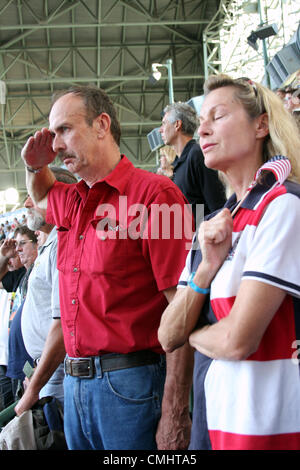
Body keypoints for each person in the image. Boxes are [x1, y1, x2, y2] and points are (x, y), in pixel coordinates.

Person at [21, 85, 194, 450]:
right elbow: (39, 195)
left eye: (64, 130)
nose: (56, 145)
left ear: (102, 125)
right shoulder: (72, 199)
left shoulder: (157, 196)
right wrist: (34, 165)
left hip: (131, 383)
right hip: (75, 384)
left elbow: (183, 309)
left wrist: (176, 407)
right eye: (53, 135)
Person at [158, 74, 300, 450]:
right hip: (218, 420)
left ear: (261, 125)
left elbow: (237, 339)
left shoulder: (283, 204)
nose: (202, 128)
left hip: (269, 428)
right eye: (201, 120)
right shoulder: (215, 222)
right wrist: (206, 268)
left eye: (217, 116)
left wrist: (194, 334)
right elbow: (166, 335)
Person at [15, 167, 78, 415]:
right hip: (47, 371)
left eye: (34, 194)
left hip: (57, 373)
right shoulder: (51, 243)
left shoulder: (60, 243)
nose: (27, 202)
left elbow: (63, 324)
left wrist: (33, 390)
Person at [159, 101, 226, 225]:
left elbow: (217, 206)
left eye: (164, 124)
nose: (160, 130)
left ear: (177, 125)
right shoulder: (179, 164)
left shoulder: (197, 155)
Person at [2, 227, 38, 399]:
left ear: (38, 243)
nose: (18, 249)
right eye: (17, 245)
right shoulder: (20, 276)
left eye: (22, 243)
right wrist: (4, 255)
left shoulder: (39, 272)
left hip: (34, 363)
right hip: (19, 364)